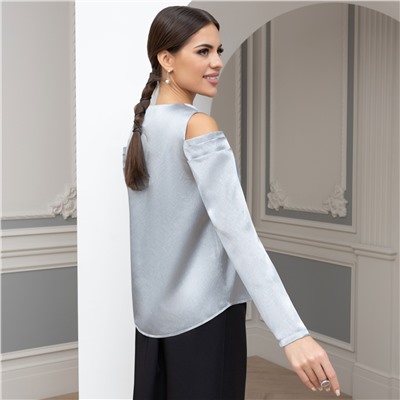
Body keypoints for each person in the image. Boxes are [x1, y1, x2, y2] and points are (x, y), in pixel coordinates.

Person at [124, 5, 341, 400]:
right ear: (166, 59)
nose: (217, 62)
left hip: (152, 324)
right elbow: (238, 233)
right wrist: (293, 334)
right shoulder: (197, 126)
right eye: (203, 51)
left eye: (218, 51)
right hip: (205, 318)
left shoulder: (142, 128)